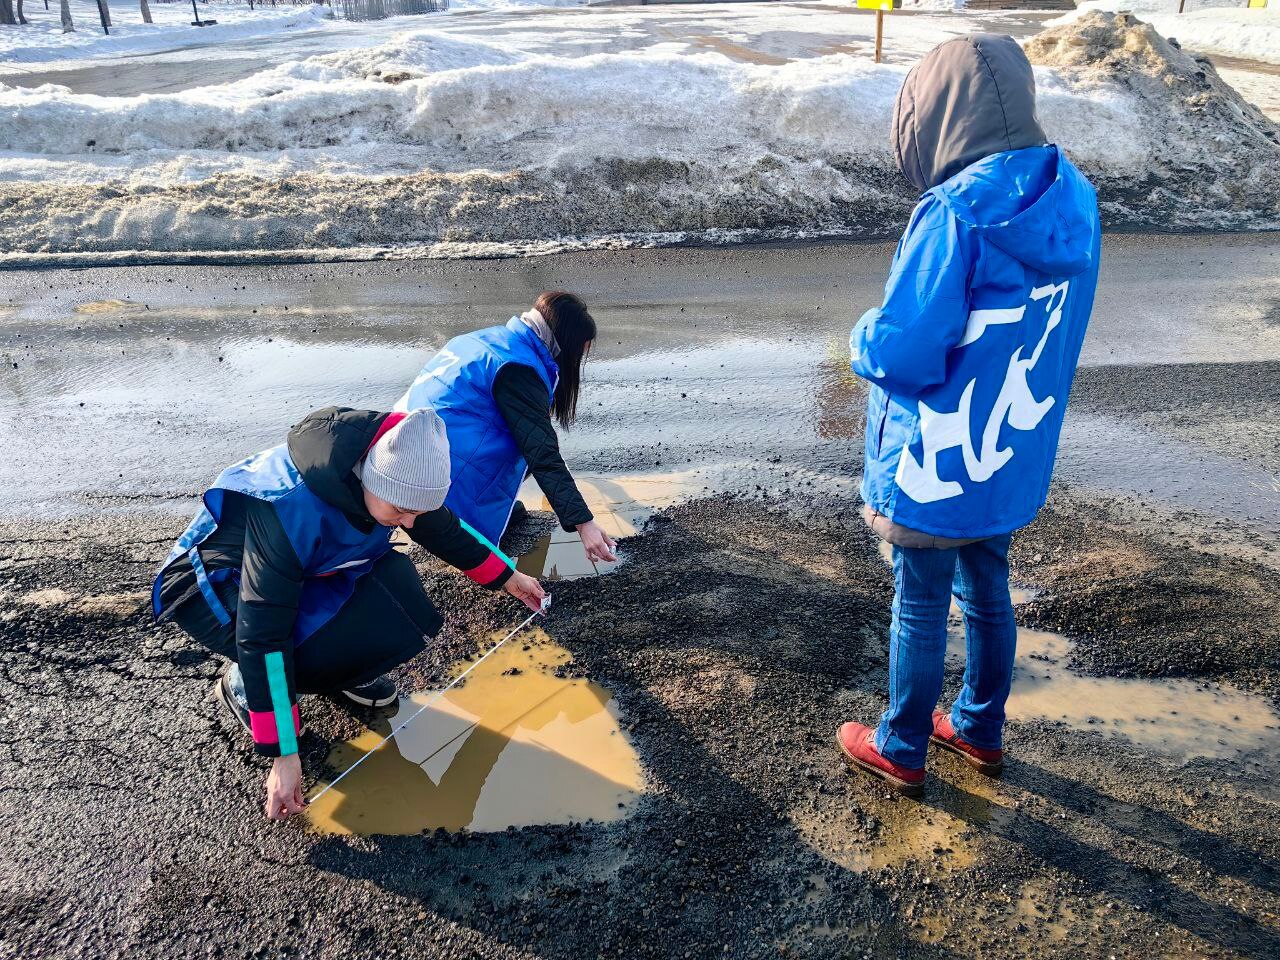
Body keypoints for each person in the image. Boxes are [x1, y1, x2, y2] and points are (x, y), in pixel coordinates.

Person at [836, 35, 1101, 796]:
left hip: (939, 452)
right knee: (988, 578)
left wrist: (860, 332)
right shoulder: (1072, 194)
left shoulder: (953, 209)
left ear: (937, 114)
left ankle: (901, 745)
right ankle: (980, 728)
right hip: (1012, 442)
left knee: (919, 595)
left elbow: (904, 351)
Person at [152, 406, 547, 821]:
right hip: (214, 592)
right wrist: (283, 753)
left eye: (416, 512)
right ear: (370, 479)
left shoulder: (392, 478)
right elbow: (264, 631)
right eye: (400, 511)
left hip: (303, 574)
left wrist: (508, 576)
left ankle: (337, 673)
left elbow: (444, 527)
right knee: (297, 649)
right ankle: (245, 689)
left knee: (397, 590)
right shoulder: (288, 510)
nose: (409, 522)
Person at [398, 291, 617, 566]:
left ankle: (493, 508)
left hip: (396, 450)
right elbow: (542, 454)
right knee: (531, 443)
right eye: (578, 354)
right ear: (566, 344)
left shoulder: (487, 340)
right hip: (428, 480)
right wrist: (584, 524)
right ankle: (461, 521)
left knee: (526, 436)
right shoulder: (519, 369)